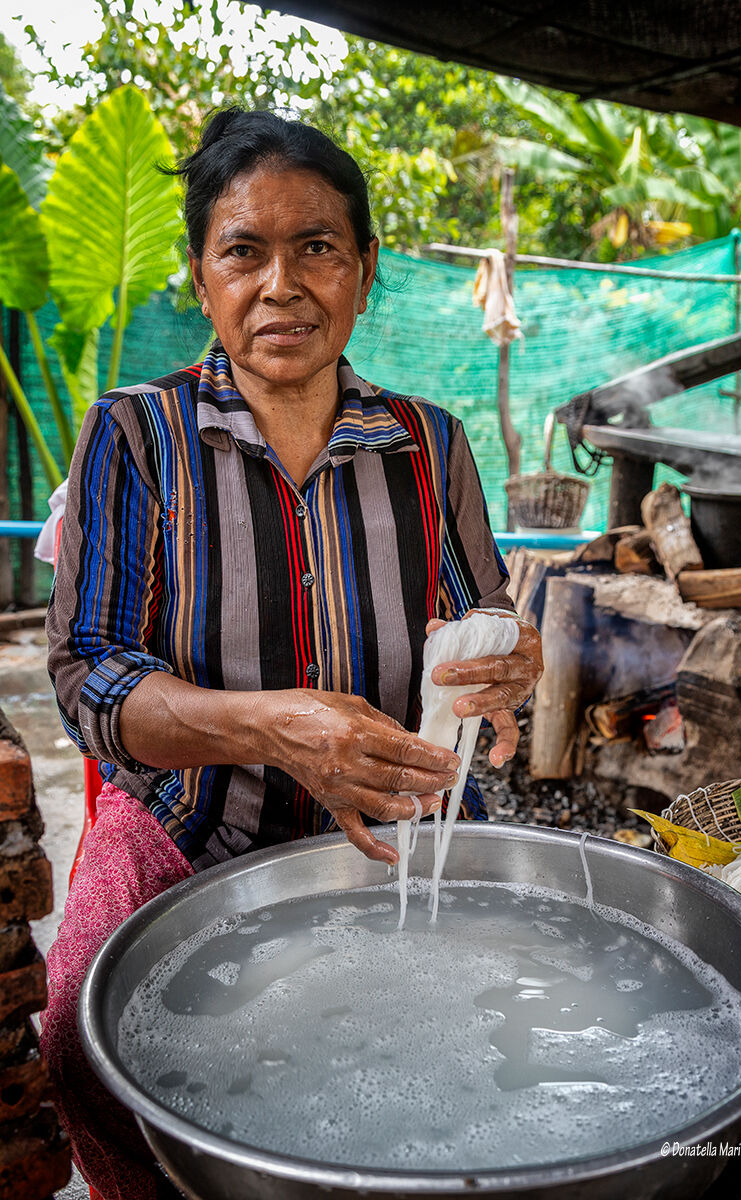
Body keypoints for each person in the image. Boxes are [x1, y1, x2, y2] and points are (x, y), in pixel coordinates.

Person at [41, 108, 543, 1199]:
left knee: (474, 1050)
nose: (281, 284)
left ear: (362, 272)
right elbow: (91, 674)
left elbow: (481, 616)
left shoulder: (429, 442)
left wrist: (508, 661)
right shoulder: (134, 433)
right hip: (186, 823)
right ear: (201, 275)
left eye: (316, 247)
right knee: (82, 1033)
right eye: (243, 251)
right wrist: (269, 724)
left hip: (401, 822)